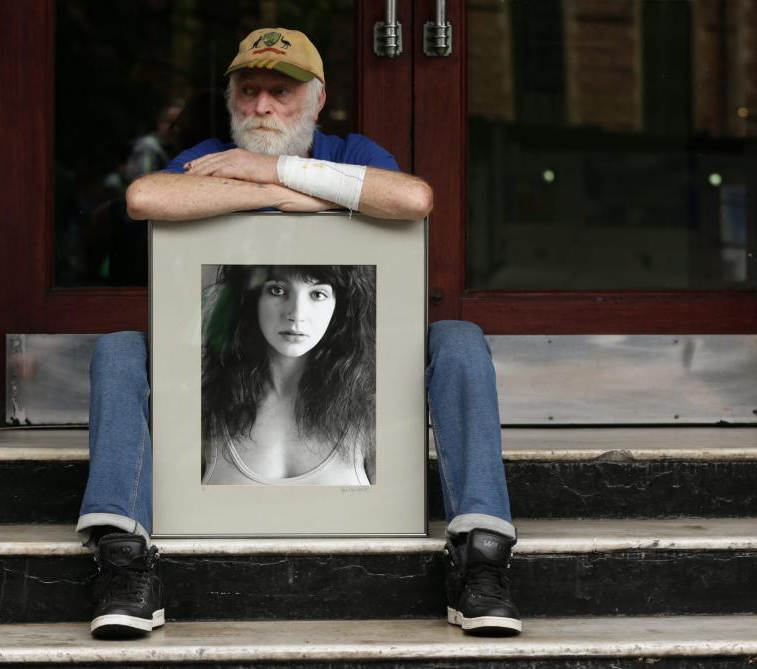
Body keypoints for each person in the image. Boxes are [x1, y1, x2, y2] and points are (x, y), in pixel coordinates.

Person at [79, 27, 521, 639]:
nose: (262, 107)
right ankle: (123, 560)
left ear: (316, 100)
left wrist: (269, 172)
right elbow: (145, 196)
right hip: (219, 369)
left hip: (363, 366)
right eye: (249, 90)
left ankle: (481, 558)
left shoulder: (350, 149)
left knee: (460, 339)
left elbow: (414, 198)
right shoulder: (208, 155)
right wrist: (301, 195)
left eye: (281, 93)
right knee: (118, 349)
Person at [201, 264, 376, 486]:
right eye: (277, 290)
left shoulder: (371, 406)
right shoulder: (203, 404)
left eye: (317, 294)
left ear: (340, 305)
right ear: (250, 298)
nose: (296, 315)